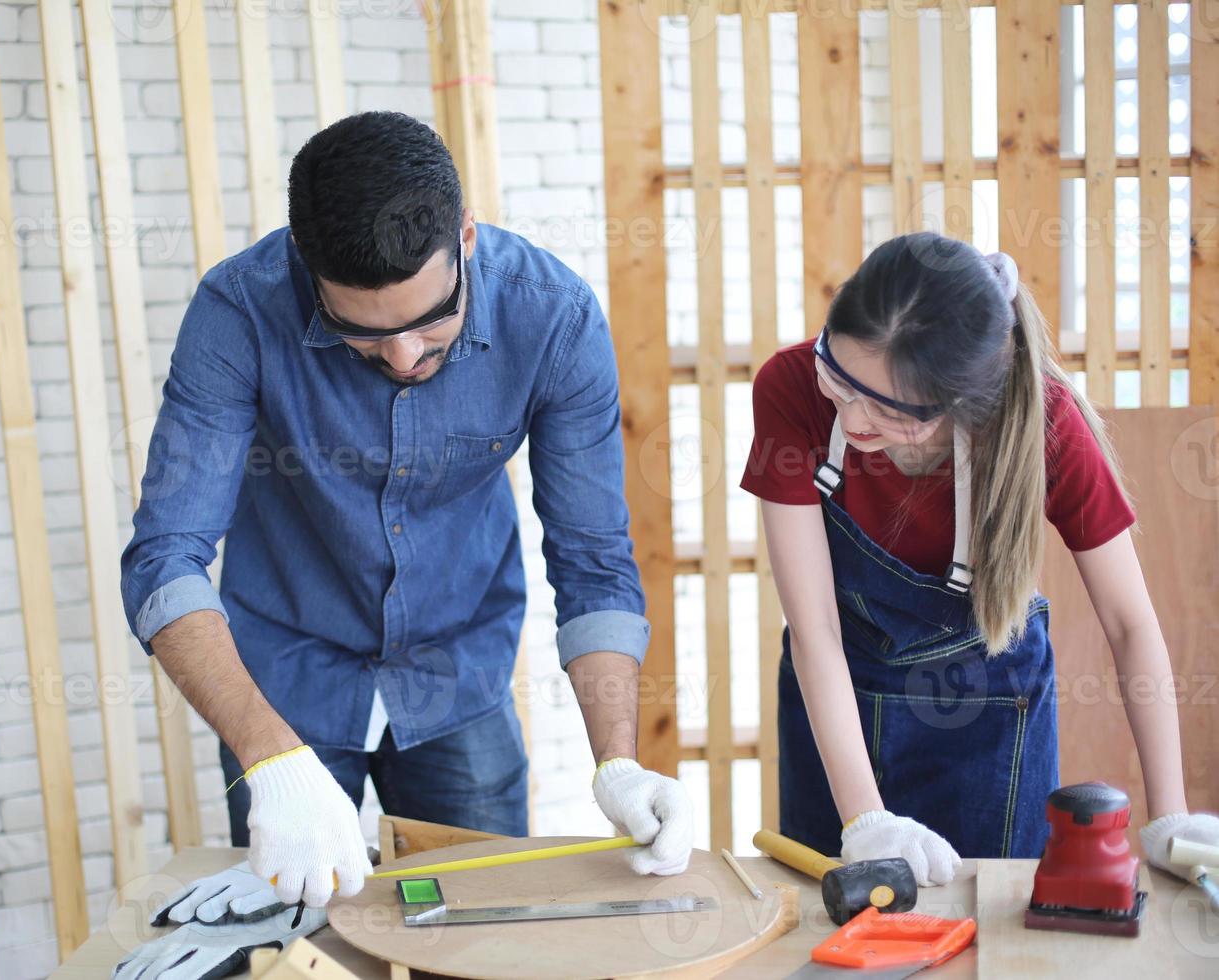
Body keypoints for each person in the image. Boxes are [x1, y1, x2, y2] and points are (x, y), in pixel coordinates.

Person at [120, 111, 692, 910]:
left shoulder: (553, 319)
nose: (402, 358)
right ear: (305, 265)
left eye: (432, 324)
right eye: (361, 335)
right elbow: (164, 557)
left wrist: (618, 765)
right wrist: (267, 759)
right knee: (293, 944)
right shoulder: (239, 312)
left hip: (459, 676)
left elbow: (592, 561)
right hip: (285, 679)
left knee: (478, 938)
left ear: (465, 235)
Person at [740, 231, 1218, 885]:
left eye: (887, 410)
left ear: (964, 407)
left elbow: (1129, 624)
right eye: (838, 379)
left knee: (989, 937)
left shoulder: (1041, 425)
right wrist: (864, 821)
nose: (851, 422)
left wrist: (1169, 817)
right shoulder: (792, 389)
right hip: (837, 705)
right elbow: (815, 625)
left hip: (988, 715)